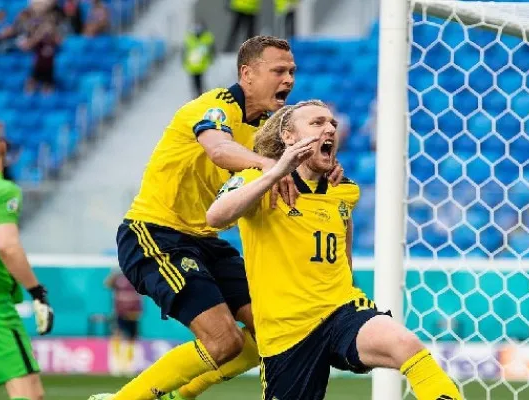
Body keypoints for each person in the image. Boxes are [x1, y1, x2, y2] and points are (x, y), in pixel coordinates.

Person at [87, 36, 343, 400]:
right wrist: (272, 166)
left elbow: (300, 165)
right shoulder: (213, 108)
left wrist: (326, 167)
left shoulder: (268, 129)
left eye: (292, 71)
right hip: (155, 233)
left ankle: (178, 395)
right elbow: (220, 150)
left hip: (207, 241)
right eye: (279, 71)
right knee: (224, 340)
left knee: (272, 328)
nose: (288, 79)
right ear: (247, 74)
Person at [205, 101, 463, 400]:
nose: (329, 128)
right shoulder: (257, 179)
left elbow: (344, 245)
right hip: (286, 333)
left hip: (340, 310)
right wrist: (273, 174)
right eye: (317, 123)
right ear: (288, 136)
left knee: (405, 345)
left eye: (332, 124)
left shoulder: (344, 190)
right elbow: (216, 217)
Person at [0, 120, 55, 400]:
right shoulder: (2, 191)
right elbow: (7, 246)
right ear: (1, 147)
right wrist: (36, 292)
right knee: (28, 390)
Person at [105, 270, 143, 375]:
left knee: (132, 338)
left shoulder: (136, 276)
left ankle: (129, 365)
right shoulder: (118, 277)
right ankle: (117, 364)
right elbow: (107, 284)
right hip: (120, 313)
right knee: (118, 335)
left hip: (133, 313)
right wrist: (114, 273)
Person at [183, 23, 215, 98]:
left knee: (200, 80)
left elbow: (211, 49)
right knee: (195, 81)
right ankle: (198, 94)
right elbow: (185, 51)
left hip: (202, 64)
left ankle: (201, 94)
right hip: (192, 64)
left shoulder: (207, 38)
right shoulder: (189, 39)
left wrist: (212, 58)